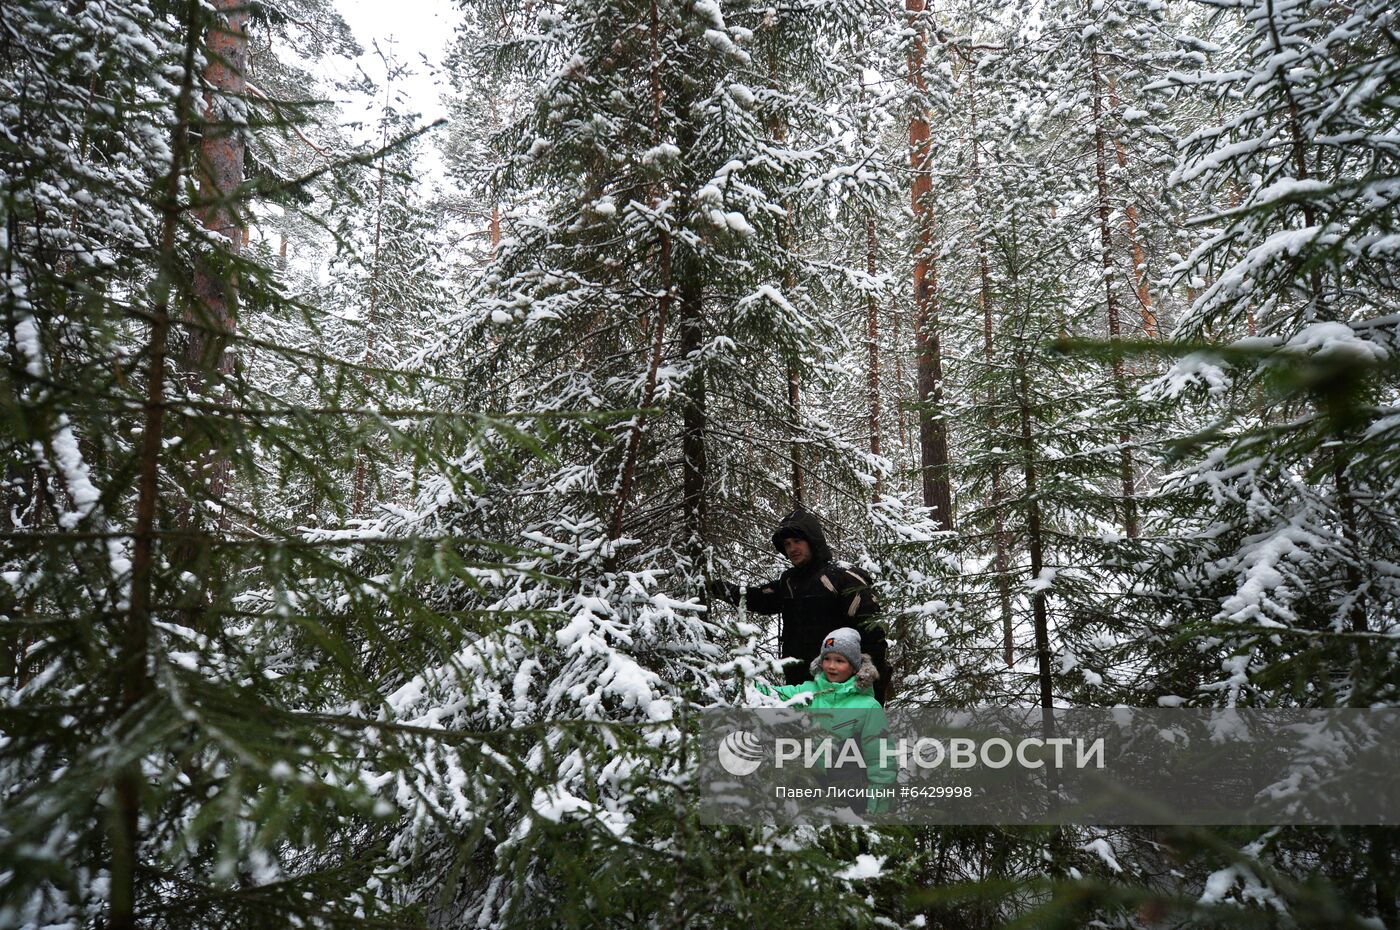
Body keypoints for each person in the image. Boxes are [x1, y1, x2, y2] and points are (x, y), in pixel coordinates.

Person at [712, 508, 892, 702]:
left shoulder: (843, 576)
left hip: (841, 685)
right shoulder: (790, 581)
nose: (792, 548)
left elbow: (872, 631)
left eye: (798, 541)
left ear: (813, 541)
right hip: (799, 682)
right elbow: (760, 598)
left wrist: (870, 681)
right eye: (787, 544)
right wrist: (720, 589)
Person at [755, 627, 895, 817]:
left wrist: (878, 807)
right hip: (811, 788)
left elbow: (881, 759)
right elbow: (773, 695)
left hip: (851, 795)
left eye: (840, 661)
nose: (831, 666)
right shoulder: (809, 693)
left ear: (854, 667)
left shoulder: (868, 707)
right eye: (827, 659)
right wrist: (742, 680)